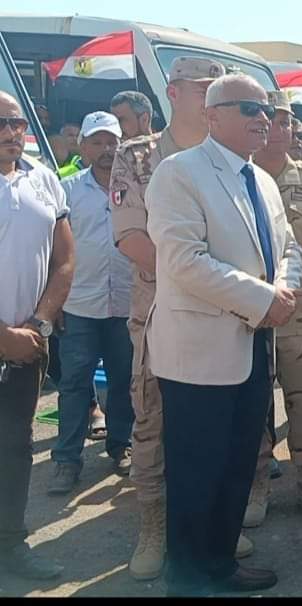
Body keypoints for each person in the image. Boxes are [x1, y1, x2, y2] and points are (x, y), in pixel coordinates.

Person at [146, 73, 301, 596]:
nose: (264, 119)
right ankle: (188, 578)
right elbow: (185, 261)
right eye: (249, 109)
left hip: (254, 345)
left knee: (238, 465)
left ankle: (219, 564)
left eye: (267, 110)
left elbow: (289, 247)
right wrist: (263, 299)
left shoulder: (263, 181)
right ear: (212, 116)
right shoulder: (179, 173)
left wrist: (282, 289)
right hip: (199, 353)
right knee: (197, 471)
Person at [109, 57, 242, 582]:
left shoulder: (229, 155)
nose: (211, 96)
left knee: (221, 426)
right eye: (202, 87)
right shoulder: (138, 155)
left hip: (226, 314)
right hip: (161, 313)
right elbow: (130, 238)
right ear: (174, 92)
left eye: (217, 89)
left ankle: (211, 524)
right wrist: (201, 279)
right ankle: (154, 526)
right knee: (154, 420)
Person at [244, 91, 302, 527]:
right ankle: (256, 486)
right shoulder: (235, 177)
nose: (278, 129)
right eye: (272, 120)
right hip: (248, 311)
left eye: (286, 122)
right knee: (253, 404)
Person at [0, 91, 72, 581]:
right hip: (9, 341)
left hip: (26, 346)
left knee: (14, 448)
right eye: (0, 124)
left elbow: (65, 258)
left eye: (18, 123)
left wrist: (39, 324)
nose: (11, 133)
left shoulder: (43, 178)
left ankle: (10, 544)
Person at [49, 112, 135, 495]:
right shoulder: (66, 190)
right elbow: (52, 250)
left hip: (126, 304)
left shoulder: (136, 189)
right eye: (97, 143)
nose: (106, 150)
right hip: (79, 305)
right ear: (82, 147)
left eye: (112, 142)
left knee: (124, 380)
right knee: (74, 384)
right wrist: (52, 302)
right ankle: (66, 460)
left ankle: (121, 445)